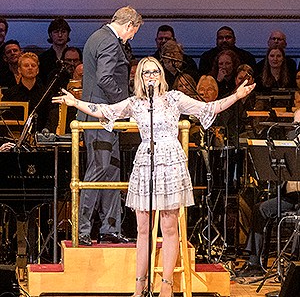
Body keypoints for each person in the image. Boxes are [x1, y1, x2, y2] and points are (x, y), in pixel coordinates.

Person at [53, 56, 255, 296]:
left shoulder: (174, 99)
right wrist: (75, 103)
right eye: (146, 73)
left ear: (161, 76)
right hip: (146, 161)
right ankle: (140, 285)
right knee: (142, 228)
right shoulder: (136, 103)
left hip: (170, 161)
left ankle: (166, 286)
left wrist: (236, 95)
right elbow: (105, 111)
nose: (151, 76)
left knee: (169, 226)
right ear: (140, 78)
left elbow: (209, 108)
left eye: (155, 72)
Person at [76, 6, 143, 246]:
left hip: (106, 117)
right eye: (133, 32)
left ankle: (110, 228)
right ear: (129, 25)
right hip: (100, 116)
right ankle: (83, 230)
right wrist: (125, 104)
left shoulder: (99, 37)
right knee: (97, 171)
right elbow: (105, 78)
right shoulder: (109, 42)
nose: (132, 37)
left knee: (112, 171)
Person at [237, 108, 300, 277]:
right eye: (294, 126)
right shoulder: (291, 144)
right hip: (290, 196)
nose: (295, 131)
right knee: (260, 209)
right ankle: (254, 263)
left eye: (298, 126)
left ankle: (294, 266)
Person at [2, 52, 50, 132]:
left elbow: (51, 118)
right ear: (19, 70)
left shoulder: (47, 93)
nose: (30, 68)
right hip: (15, 137)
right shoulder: (10, 94)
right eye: (26, 66)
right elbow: (5, 120)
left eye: (33, 65)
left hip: (41, 137)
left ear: (37, 70)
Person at [39, 17, 71, 85]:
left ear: (68, 34)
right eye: (56, 32)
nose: (60, 35)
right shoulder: (42, 58)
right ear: (50, 34)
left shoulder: (74, 55)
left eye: (63, 32)